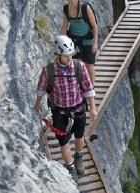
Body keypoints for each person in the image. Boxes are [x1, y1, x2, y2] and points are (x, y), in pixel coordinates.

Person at [34, 35, 97, 180]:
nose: (69, 59)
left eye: (71, 55)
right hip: (59, 112)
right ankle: (70, 167)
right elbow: (41, 88)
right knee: (63, 141)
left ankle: (79, 157)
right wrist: (37, 103)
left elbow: (88, 88)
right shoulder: (48, 70)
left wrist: (92, 108)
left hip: (78, 109)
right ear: (58, 55)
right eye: (66, 56)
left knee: (79, 136)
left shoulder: (78, 67)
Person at [60, 0, 98, 85]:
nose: (73, 1)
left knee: (89, 64)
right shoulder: (65, 9)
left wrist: (95, 43)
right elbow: (65, 26)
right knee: (73, 63)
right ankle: (78, 87)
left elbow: (94, 26)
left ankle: (91, 88)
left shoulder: (85, 8)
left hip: (88, 40)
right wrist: (61, 41)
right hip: (74, 40)